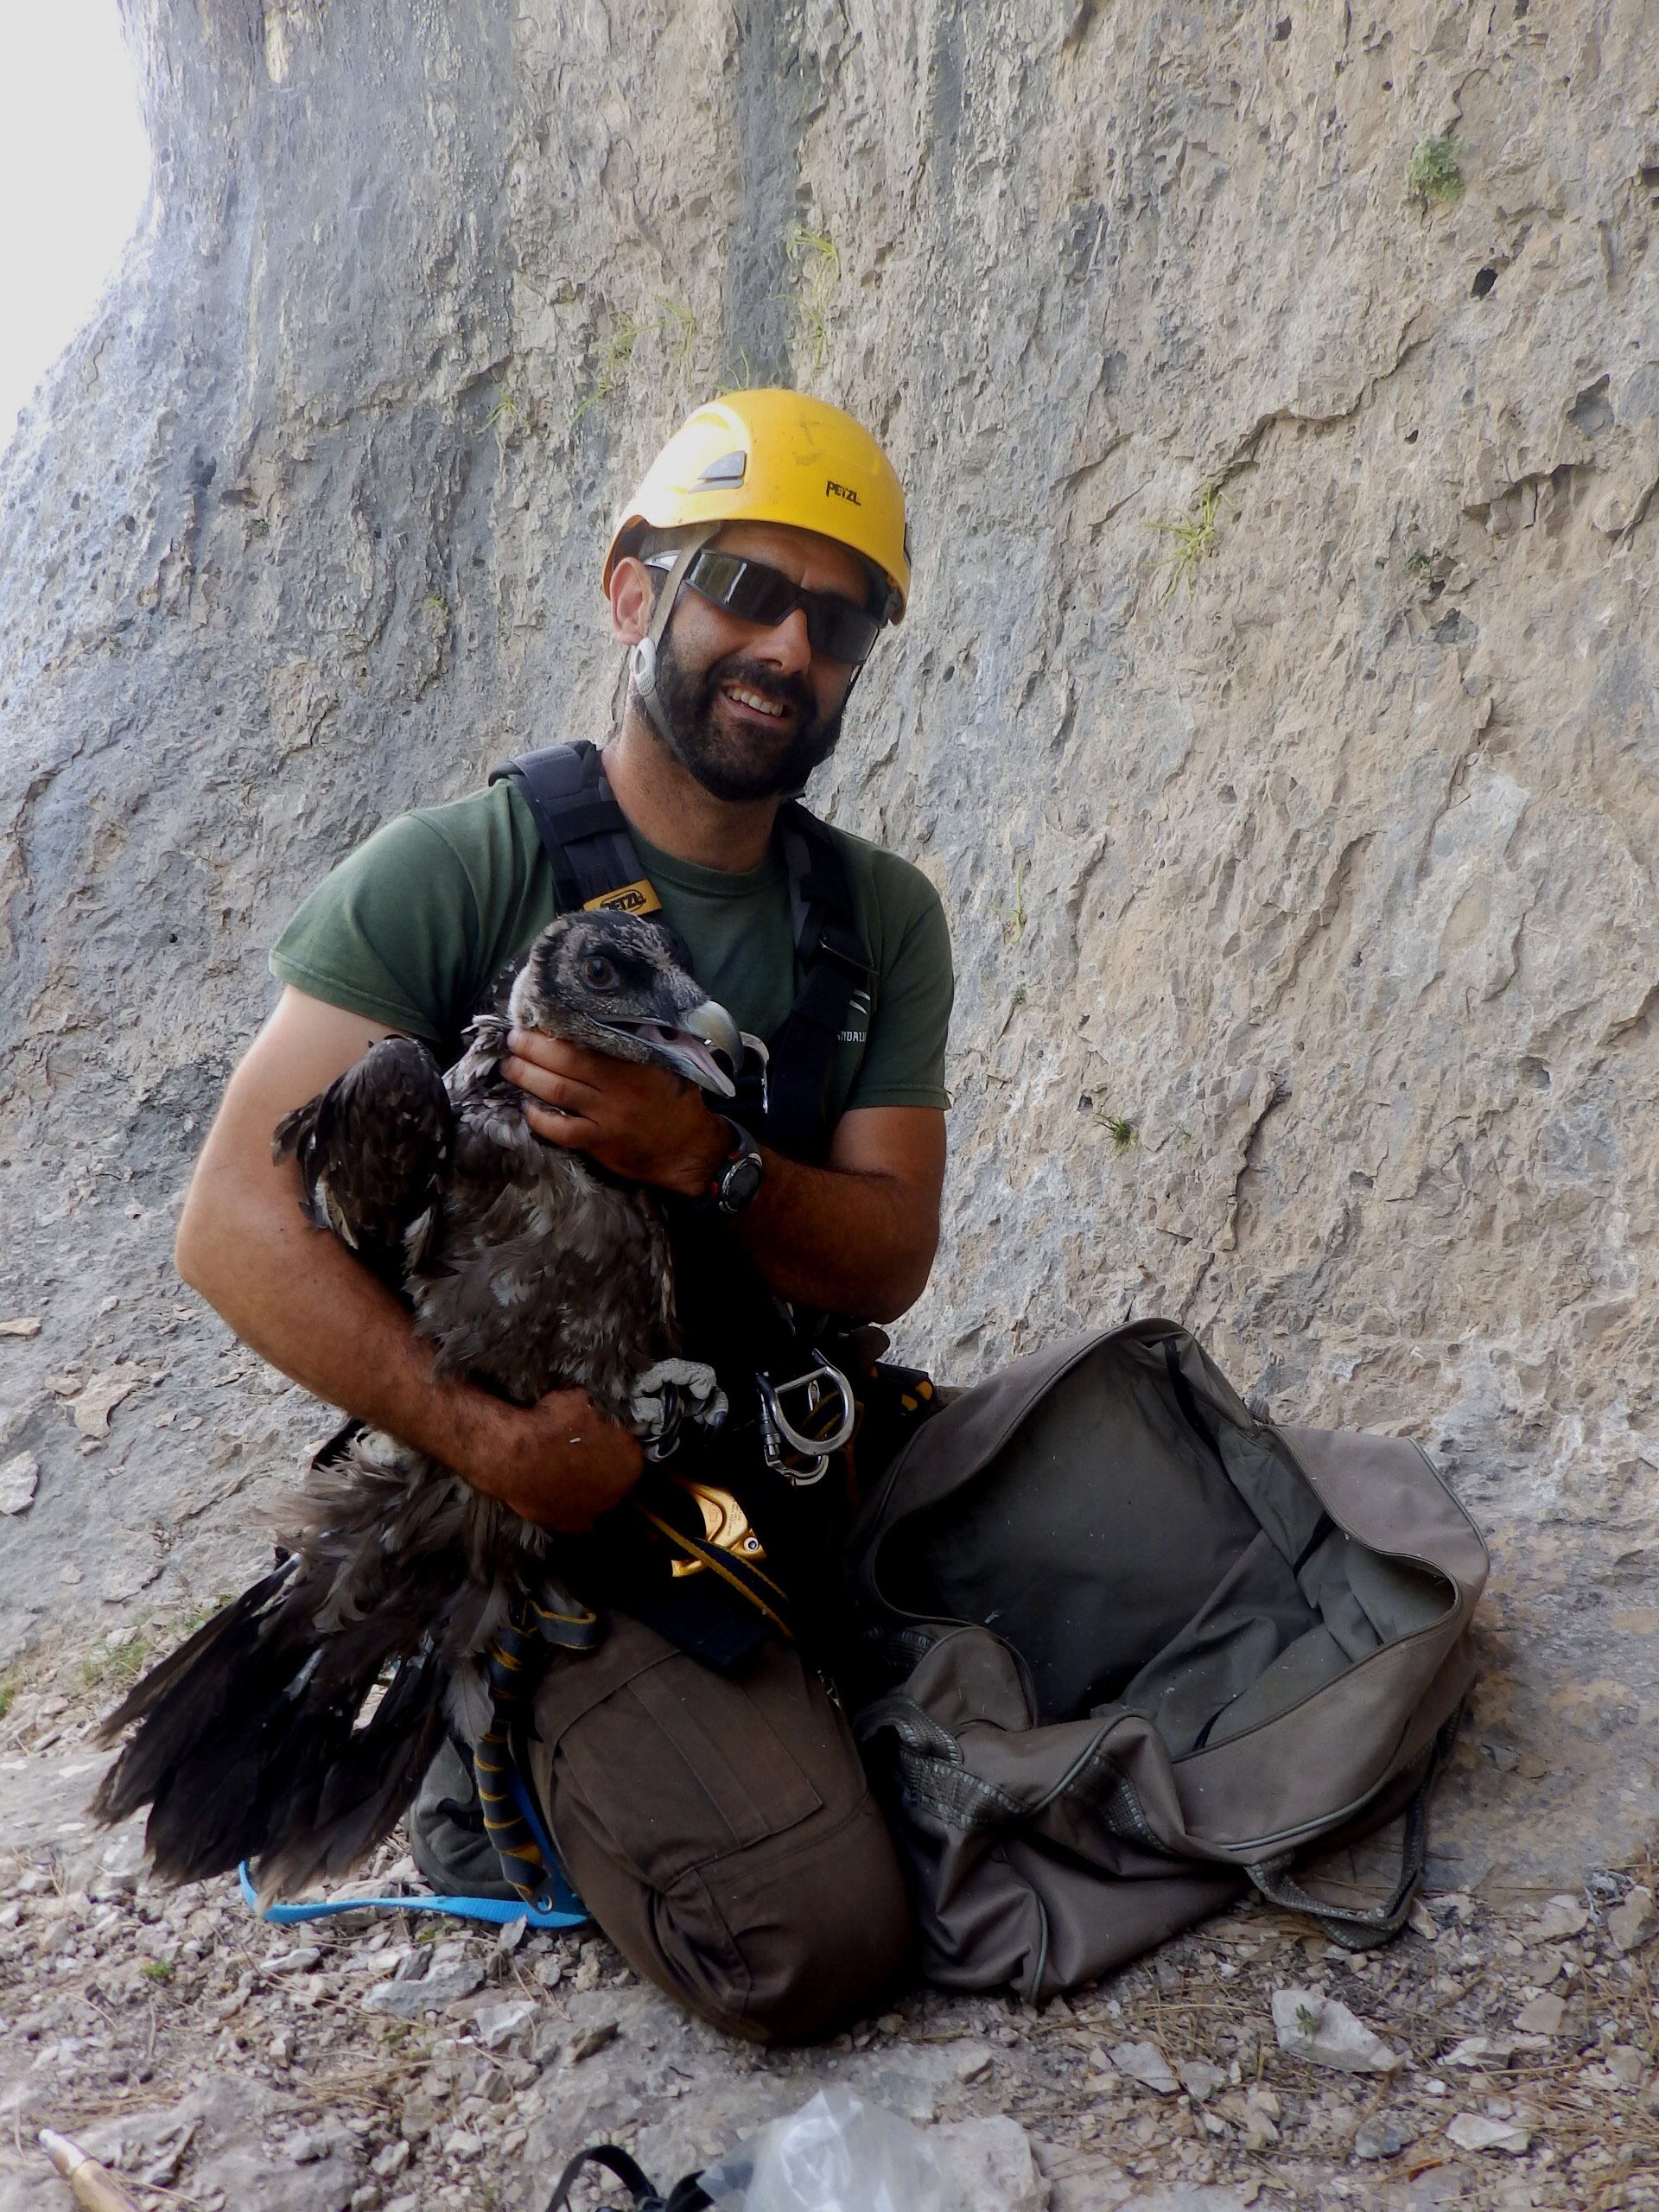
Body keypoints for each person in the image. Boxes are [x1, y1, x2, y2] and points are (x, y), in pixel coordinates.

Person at [173, 389, 954, 2042]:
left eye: (837, 619)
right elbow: (231, 1228)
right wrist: (495, 1447)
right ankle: (498, 1739)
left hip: (778, 1451)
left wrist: (707, 1159)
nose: (785, 649)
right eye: (745, 587)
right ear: (634, 594)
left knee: (1167, 1544)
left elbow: (888, 1257)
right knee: (811, 1942)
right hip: (559, 1509)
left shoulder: (877, 920)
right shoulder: (451, 871)